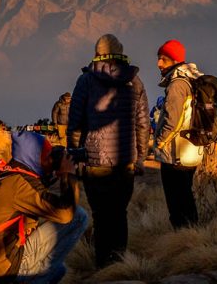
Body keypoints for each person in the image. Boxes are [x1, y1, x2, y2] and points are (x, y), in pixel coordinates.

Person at [66, 34, 150, 268]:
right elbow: (143, 124)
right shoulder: (135, 81)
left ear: (97, 53)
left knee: (101, 216)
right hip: (125, 162)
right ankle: (120, 263)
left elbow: (75, 124)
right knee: (120, 213)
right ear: (120, 52)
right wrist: (140, 157)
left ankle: (103, 267)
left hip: (95, 163)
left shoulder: (86, 81)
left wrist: (74, 155)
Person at [0, 131, 88, 284]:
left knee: (59, 270)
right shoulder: (20, 185)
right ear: (33, 157)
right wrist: (67, 175)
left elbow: (39, 197)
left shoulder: (10, 173)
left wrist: (51, 173)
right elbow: (65, 213)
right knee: (78, 217)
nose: (51, 160)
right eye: (46, 156)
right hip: (10, 263)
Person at [153, 39, 206, 228]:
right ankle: (192, 233)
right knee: (186, 194)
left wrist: (159, 143)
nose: (159, 63)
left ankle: (182, 236)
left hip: (176, 152)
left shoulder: (177, 84)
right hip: (192, 149)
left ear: (175, 60)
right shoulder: (193, 80)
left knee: (176, 200)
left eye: (163, 59)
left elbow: (172, 120)